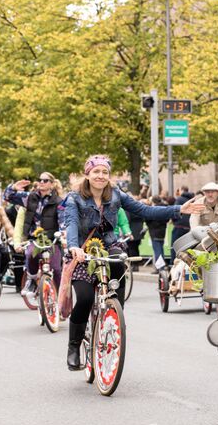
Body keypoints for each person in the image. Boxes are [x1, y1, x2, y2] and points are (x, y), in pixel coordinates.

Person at [62, 155, 204, 370]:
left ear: (109, 176)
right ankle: (74, 347)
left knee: (119, 262)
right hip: (82, 250)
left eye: (105, 172)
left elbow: (145, 210)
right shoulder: (75, 198)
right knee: (84, 298)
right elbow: (72, 224)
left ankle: (117, 312)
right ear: (87, 174)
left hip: (108, 245)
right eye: (96, 172)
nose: (101, 176)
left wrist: (178, 209)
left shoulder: (116, 195)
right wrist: (74, 247)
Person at [5, 172, 64, 296]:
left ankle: (59, 296)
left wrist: (63, 235)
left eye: (45, 180)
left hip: (53, 239)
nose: (41, 182)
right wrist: (13, 187)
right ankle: (31, 279)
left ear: (52, 184)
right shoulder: (30, 197)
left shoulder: (58, 201)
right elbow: (8, 197)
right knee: (31, 253)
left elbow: (63, 220)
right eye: (40, 179)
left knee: (57, 269)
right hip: (34, 238)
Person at [171, 186, 194, 265]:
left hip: (179, 226)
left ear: (181, 190)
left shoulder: (179, 199)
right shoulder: (191, 200)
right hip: (188, 226)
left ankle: (174, 264)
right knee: (186, 247)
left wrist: (174, 222)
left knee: (175, 246)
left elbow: (175, 212)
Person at [146, 196, 168, 270]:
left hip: (154, 231)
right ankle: (163, 266)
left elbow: (147, 219)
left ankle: (160, 268)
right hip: (162, 231)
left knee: (157, 251)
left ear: (153, 202)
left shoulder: (153, 209)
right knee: (161, 250)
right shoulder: (164, 208)